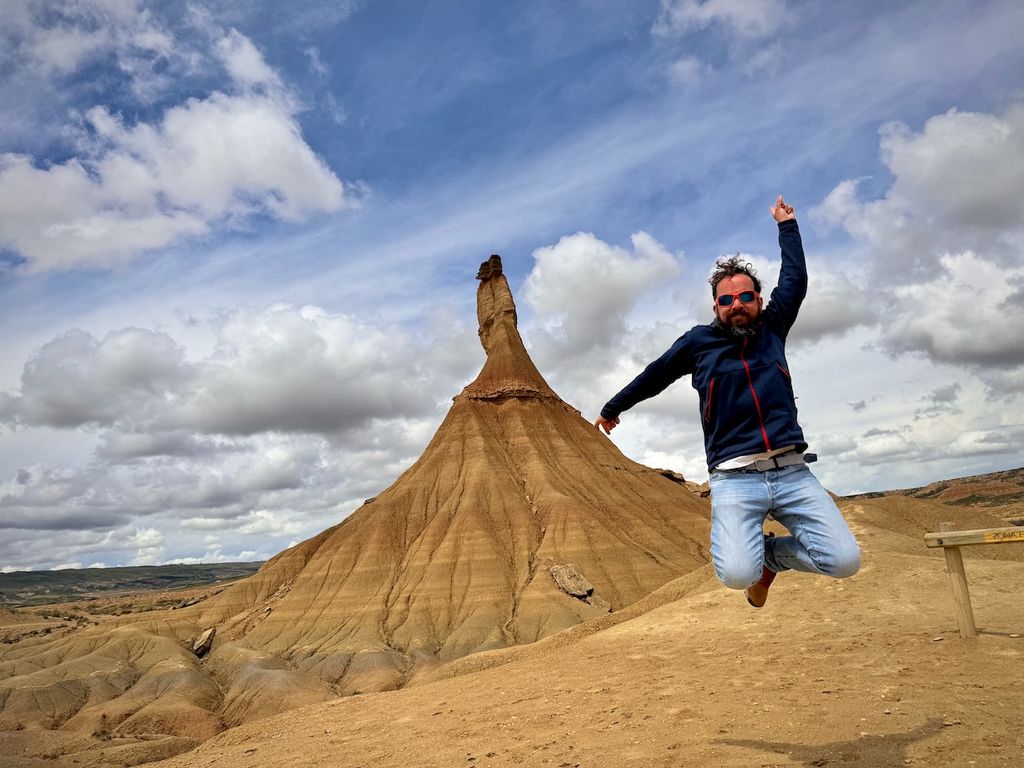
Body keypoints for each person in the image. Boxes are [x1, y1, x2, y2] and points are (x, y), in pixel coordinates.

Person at [594, 196, 860, 608]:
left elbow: (795, 280)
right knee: (738, 574)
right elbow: (655, 374)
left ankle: (773, 557)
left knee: (843, 561)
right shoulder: (698, 343)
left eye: (745, 297)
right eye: (726, 300)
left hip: (792, 471)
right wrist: (613, 407)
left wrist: (787, 227)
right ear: (716, 305)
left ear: (758, 298)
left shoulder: (772, 328)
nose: (736, 305)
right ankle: (758, 566)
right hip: (735, 478)